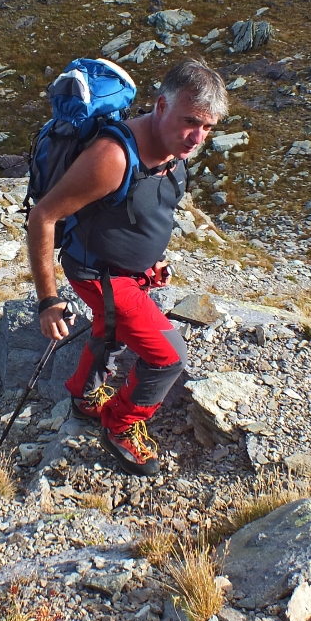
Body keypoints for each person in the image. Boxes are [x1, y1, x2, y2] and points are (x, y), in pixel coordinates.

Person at [27, 59, 227, 476]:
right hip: (100, 274)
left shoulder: (174, 152)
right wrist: (48, 301)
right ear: (160, 106)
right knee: (169, 357)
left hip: (128, 273)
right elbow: (43, 217)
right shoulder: (113, 158)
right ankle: (120, 426)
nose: (198, 136)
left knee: (111, 327)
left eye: (208, 127)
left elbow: (149, 210)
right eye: (190, 120)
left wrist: (152, 260)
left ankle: (84, 395)